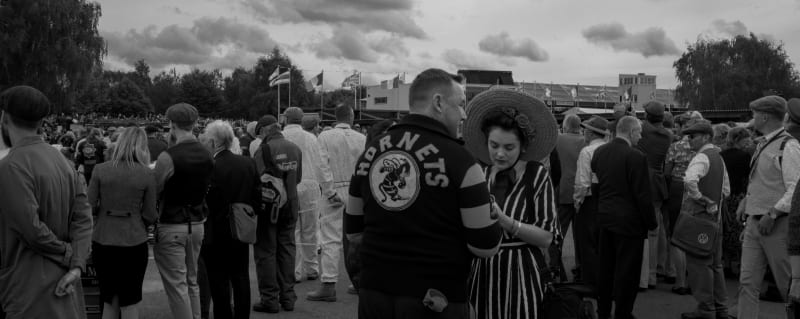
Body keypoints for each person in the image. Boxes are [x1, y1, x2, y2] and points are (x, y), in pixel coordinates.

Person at [346, 68, 502, 319]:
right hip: (437, 298)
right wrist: (495, 217)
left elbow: (353, 230)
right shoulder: (462, 160)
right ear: (438, 103)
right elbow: (485, 246)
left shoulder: (370, 152)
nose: (463, 114)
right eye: (461, 105)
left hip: (375, 294)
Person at [464, 89, 562, 319]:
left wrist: (508, 223)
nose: (499, 154)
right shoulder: (479, 174)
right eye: (494, 145)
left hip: (522, 273)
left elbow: (547, 237)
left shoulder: (536, 176)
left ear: (523, 147)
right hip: (483, 273)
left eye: (509, 148)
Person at [0, 86, 93, 319]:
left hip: (28, 286)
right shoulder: (63, 161)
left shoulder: (11, 166)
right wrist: (77, 264)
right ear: (41, 121)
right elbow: (83, 218)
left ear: (4, 117)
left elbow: (31, 230)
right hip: (65, 282)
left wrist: (69, 254)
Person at [735, 96, 800, 318]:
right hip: (756, 221)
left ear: (764, 116)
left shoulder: (788, 145)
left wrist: (772, 213)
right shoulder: (765, 142)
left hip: (777, 225)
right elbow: (763, 180)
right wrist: (748, 202)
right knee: (747, 282)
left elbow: (795, 190)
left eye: (754, 115)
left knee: (788, 286)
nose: (752, 119)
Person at [87, 127, 158, 319]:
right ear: (142, 146)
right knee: (131, 300)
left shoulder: (100, 169)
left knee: (109, 299)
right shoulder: (147, 173)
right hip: (134, 240)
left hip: (103, 239)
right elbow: (151, 214)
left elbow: (89, 206)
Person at [153, 103, 215, 319]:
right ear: (195, 124)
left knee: (177, 285)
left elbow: (155, 189)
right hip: (197, 223)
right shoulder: (207, 153)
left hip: (172, 223)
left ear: (171, 124)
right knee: (192, 280)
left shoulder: (168, 156)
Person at [592, 116, 657, 319]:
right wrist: (651, 223)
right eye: (639, 133)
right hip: (630, 224)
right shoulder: (636, 157)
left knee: (605, 269)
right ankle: (622, 313)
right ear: (630, 132)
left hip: (605, 218)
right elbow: (643, 195)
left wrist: (603, 208)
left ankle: (602, 311)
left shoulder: (599, 153)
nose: (640, 137)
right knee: (627, 274)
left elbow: (596, 187)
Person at [199, 120, 259, 319]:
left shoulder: (209, 167)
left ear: (214, 143)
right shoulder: (247, 163)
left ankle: (223, 315)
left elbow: (204, 199)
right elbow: (258, 196)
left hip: (215, 229)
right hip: (241, 226)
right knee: (241, 276)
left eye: (207, 141)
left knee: (218, 279)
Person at [308, 105, 366, 302]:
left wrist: (330, 190)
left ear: (335, 116)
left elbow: (321, 164)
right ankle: (359, 281)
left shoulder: (325, 137)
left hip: (334, 187)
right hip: (357, 190)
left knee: (330, 238)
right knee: (356, 238)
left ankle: (329, 284)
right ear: (351, 117)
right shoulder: (361, 138)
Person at [678, 121, 731, 319]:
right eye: (688, 136)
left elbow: (689, 180)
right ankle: (721, 309)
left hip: (701, 220)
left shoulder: (701, 156)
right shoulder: (718, 157)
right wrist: (714, 202)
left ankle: (706, 309)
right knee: (715, 265)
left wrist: (701, 198)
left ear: (706, 137)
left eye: (693, 136)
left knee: (699, 264)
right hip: (715, 220)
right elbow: (726, 190)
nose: (689, 140)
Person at [252, 115, 302, 313]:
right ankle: (288, 298)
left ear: (265, 130)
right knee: (287, 250)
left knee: (266, 252)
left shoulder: (262, 150)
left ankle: (270, 299)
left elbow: (257, 180)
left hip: (269, 207)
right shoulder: (295, 148)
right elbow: (297, 178)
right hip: (291, 204)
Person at [281, 107, 337, 285]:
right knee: (311, 229)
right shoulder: (312, 138)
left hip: (289, 183)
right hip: (311, 183)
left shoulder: (282, 137)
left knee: (292, 230)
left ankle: (294, 271)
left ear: (286, 119)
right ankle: (312, 268)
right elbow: (321, 163)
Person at [636, 101, 673, 290]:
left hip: (642, 179)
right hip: (658, 182)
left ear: (647, 116)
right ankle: (655, 272)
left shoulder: (642, 131)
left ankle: (645, 275)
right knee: (656, 229)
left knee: (642, 229)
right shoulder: (668, 135)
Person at [573, 115, 611, 288]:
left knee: (587, 243)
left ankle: (591, 282)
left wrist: (578, 202)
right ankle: (605, 280)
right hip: (608, 199)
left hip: (589, 199)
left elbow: (582, 182)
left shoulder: (586, 151)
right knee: (604, 243)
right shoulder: (611, 149)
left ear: (590, 133)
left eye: (585, 130)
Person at [664, 114, 696, 295]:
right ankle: (693, 279)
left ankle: (680, 281)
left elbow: (667, 172)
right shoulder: (705, 149)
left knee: (676, 234)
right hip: (698, 188)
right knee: (693, 234)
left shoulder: (675, 146)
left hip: (677, 187)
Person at [550, 114, 585, 281]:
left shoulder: (557, 140)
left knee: (559, 233)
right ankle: (581, 267)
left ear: (565, 125)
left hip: (562, 190)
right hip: (583, 193)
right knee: (581, 235)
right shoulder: (586, 141)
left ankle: (555, 267)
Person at [719, 127, 752, 276]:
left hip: (725, 196)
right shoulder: (745, 156)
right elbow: (748, 178)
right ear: (739, 139)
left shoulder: (721, 155)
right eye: (746, 139)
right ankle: (739, 264)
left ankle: (726, 263)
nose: (748, 142)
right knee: (739, 229)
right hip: (739, 196)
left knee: (726, 229)